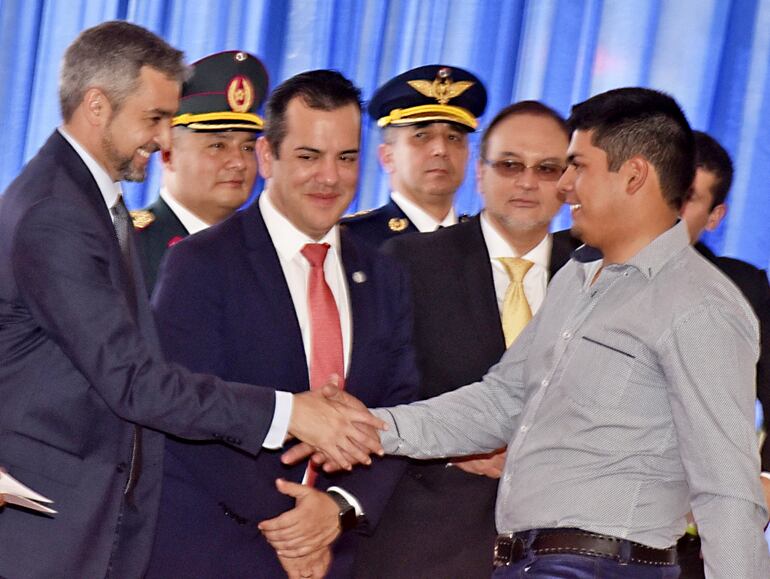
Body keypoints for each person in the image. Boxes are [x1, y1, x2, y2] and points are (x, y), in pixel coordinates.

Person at [289, 87, 770, 577]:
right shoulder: (579, 278)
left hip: (607, 565)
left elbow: (728, 489)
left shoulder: (699, 305)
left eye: (577, 166)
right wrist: (366, 427)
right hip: (530, 560)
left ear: (634, 176)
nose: (564, 186)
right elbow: (501, 400)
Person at [0, 22, 383, 579]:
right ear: (98, 106)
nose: (162, 140)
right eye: (154, 119)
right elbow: (134, 382)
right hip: (51, 526)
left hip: (84, 519)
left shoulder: (84, 199)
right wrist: (290, 412)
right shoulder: (57, 212)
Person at [145, 69, 418, 579]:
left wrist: (336, 508)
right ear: (268, 157)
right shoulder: (202, 263)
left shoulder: (383, 273)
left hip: (337, 555)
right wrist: (293, 525)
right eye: (309, 157)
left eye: (346, 158)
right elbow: (182, 406)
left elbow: (399, 411)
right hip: (217, 551)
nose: (330, 177)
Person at [354, 101, 580, 578]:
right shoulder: (410, 262)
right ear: (480, 172)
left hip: (559, 548)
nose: (526, 182)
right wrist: (457, 445)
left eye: (547, 169)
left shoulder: (594, 274)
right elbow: (374, 391)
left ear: (568, 182)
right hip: (428, 540)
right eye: (510, 165)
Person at [676, 129, 770, 579]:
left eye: (688, 198)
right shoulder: (574, 263)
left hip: (689, 540)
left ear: (715, 216)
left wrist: (765, 486)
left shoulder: (745, 290)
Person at [132, 50, 268, 292]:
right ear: (168, 153)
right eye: (218, 146)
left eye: (247, 147)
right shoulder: (125, 247)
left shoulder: (265, 254)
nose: (239, 162)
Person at [342, 64, 486, 245]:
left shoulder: (486, 243)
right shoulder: (351, 242)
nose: (441, 149)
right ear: (387, 156)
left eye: (453, 137)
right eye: (421, 136)